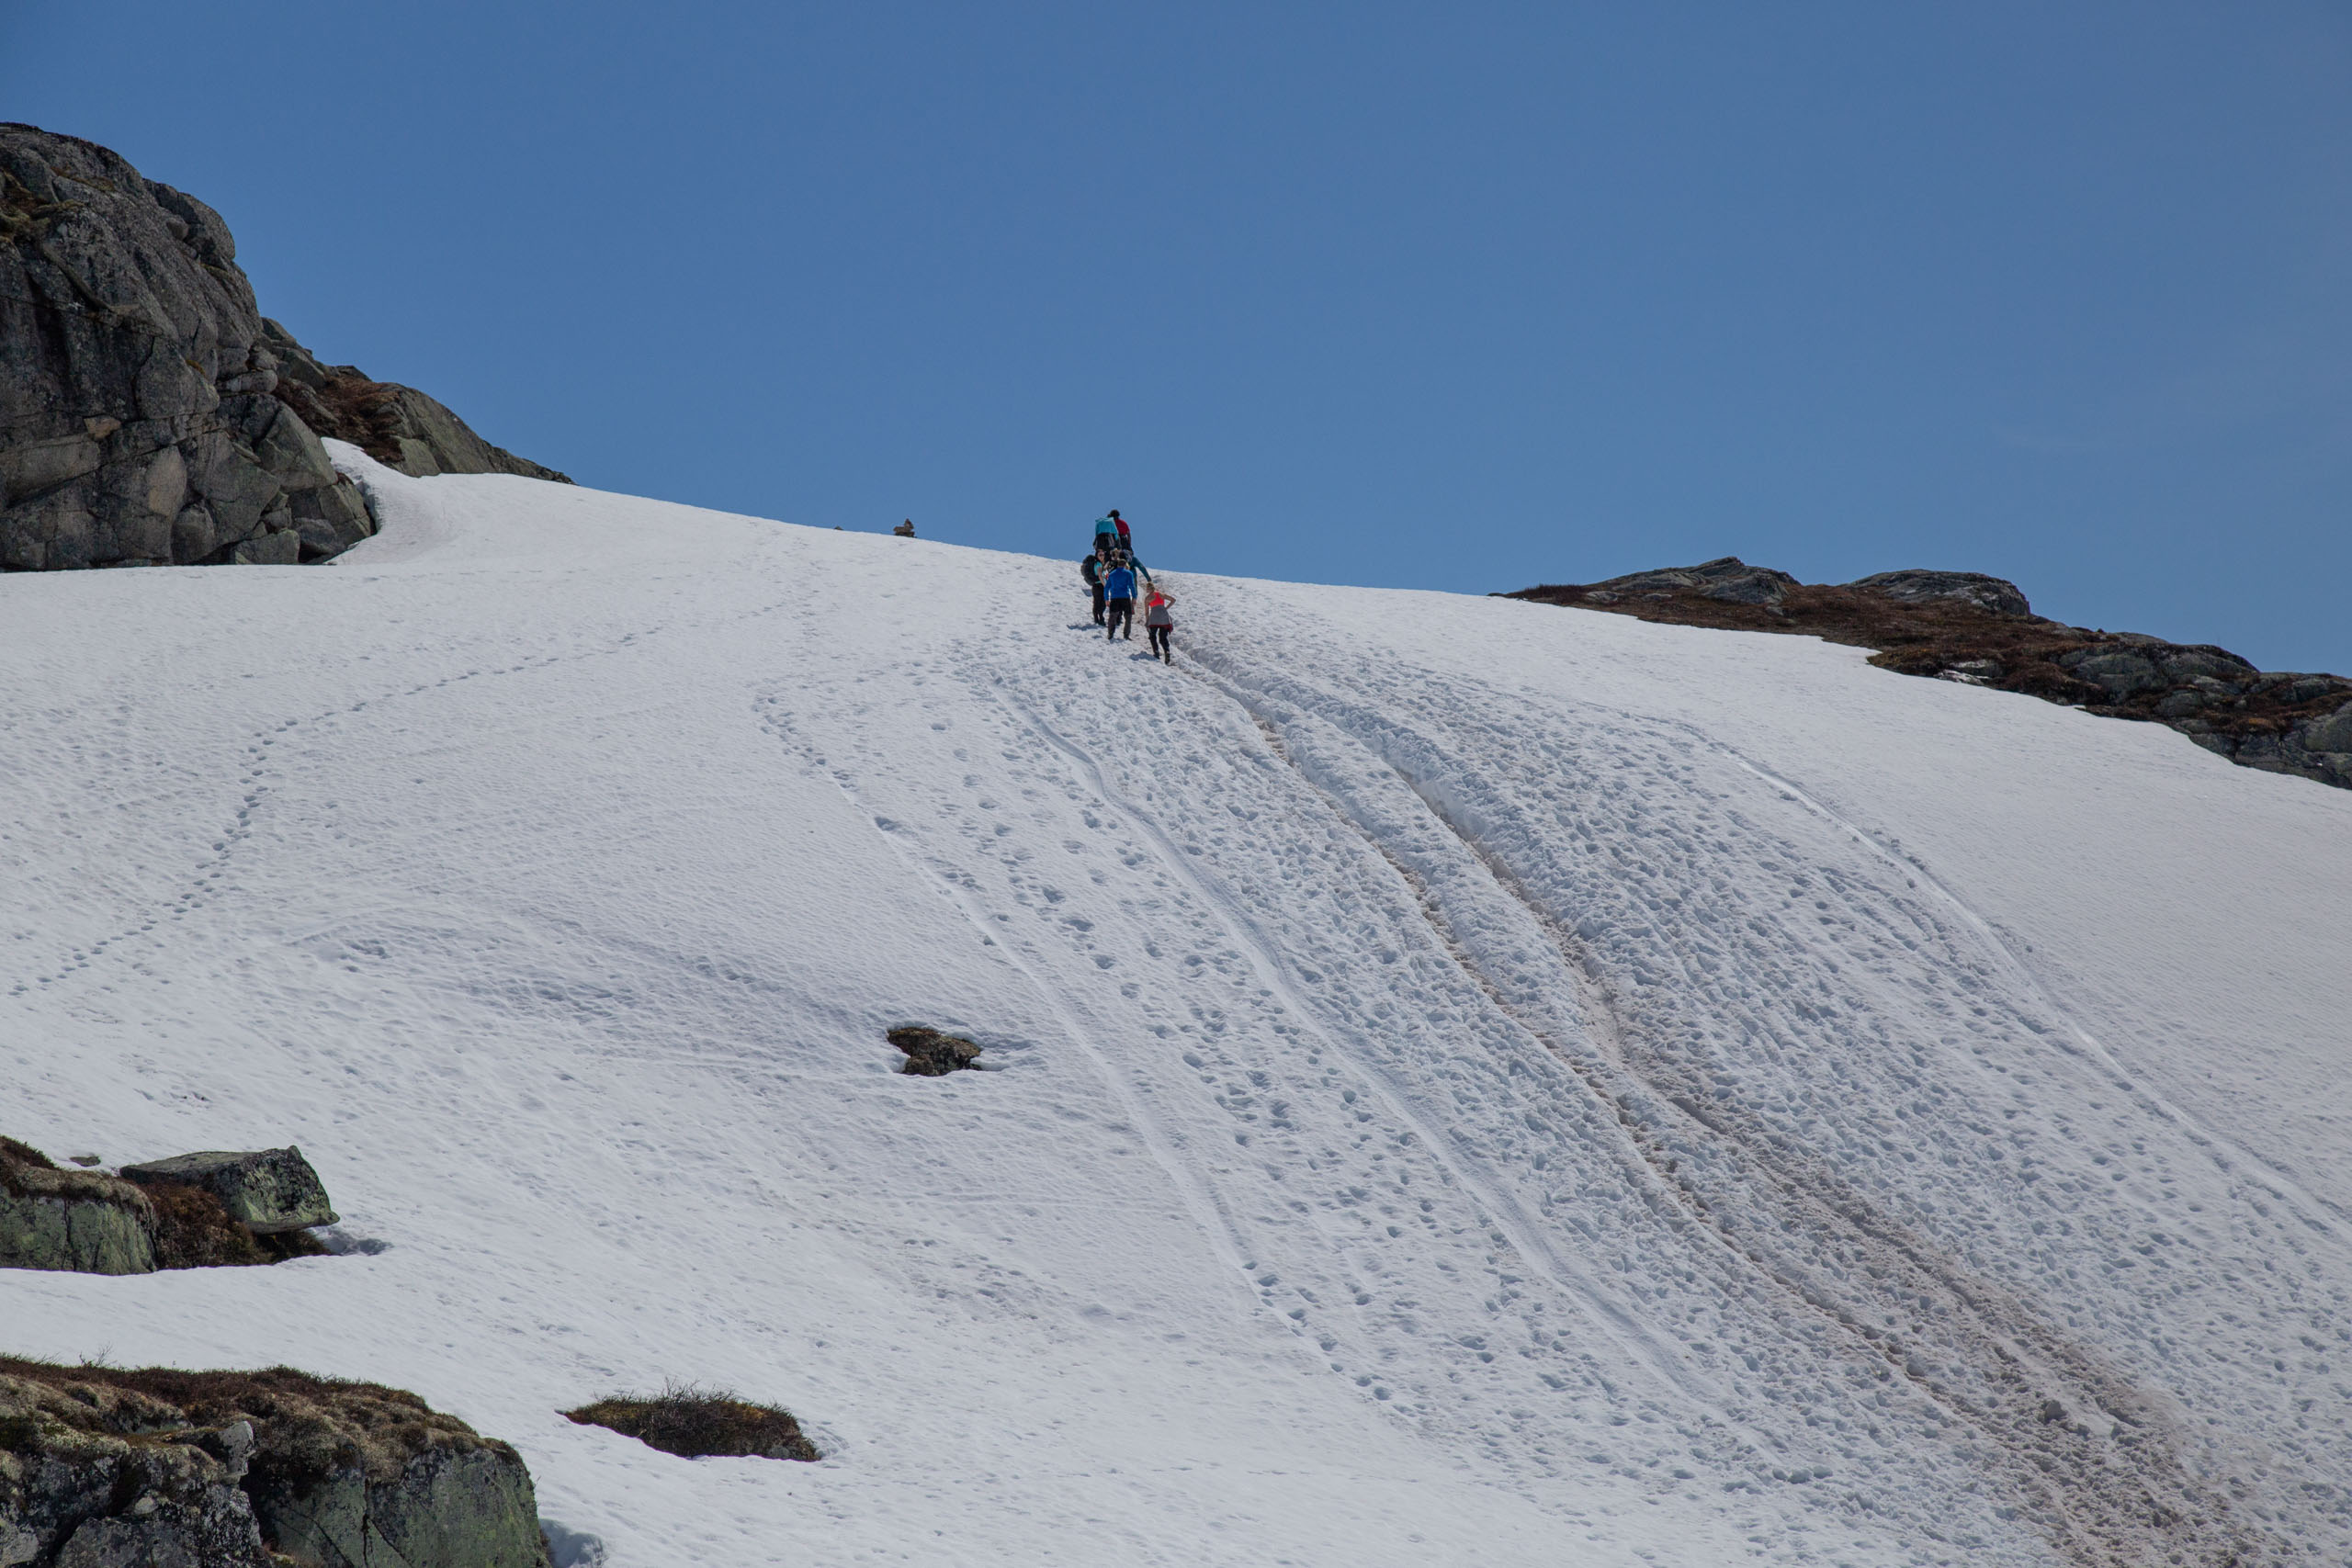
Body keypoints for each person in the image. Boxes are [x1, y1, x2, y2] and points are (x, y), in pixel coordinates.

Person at [1103, 558, 1136, 641]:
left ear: (1118, 565)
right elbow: (1132, 586)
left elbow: (1107, 588)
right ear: (1125, 565)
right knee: (1128, 616)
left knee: (1112, 617)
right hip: (1125, 597)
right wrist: (1134, 597)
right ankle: (1126, 635)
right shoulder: (1129, 573)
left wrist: (1106, 599)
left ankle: (1110, 634)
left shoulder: (1112, 574)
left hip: (1115, 598)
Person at [1145, 588, 1175, 662]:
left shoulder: (1147, 598)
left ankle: (1156, 652)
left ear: (1148, 589)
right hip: (1164, 617)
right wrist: (1166, 608)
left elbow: (1146, 612)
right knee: (1163, 637)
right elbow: (1173, 600)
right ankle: (1167, 651)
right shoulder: (1161, 594)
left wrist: (1147, 621)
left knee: (1152, 636)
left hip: (1154, 618)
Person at [1080, 549, 1107, 625]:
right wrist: (1105, 585)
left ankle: (1097, 619)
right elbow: (1100, 576)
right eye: (1100, 555)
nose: (1102, 557)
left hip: (1095, 585)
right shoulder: (1098, 564)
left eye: (1103, 555)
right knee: (1101, 603)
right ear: (1097, 556)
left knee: (1097, 602)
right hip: (1099, 585)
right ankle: (1100, 619)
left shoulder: (1099, 564)